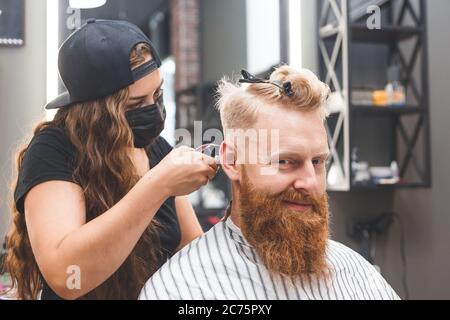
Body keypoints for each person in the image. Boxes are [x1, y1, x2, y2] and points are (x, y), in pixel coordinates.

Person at [139, 66, 400, 300]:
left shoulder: (354, 272)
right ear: (231, 160)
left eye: (318, 162)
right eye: (286, 162)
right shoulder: (182, 290)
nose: (310, 182)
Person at [5, 19, 218, 300]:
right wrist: (158, 185)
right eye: (135, 103)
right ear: (96, 108)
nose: (153, 109)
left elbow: (192, 255)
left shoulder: (158, 150)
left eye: (157, 94)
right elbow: (67, 277)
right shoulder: (54, 150)